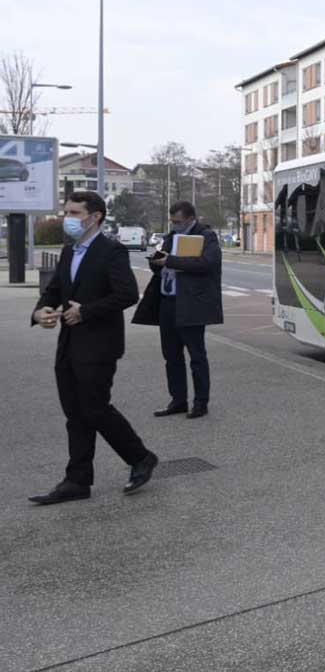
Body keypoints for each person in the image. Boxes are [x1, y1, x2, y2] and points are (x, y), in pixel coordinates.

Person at [28, 191, 159, 504]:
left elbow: (127, 294)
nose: (67, 219)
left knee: (95, 408)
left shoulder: (111, 251)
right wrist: (39, 311)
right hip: (69, 344)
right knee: (75, 413)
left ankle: (140, 457)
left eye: (74, 213)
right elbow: (55, 289)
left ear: (95, 216)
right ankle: (77, 481)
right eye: (66, 212)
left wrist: (85, 311)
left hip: (99, 346)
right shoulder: (69, 250)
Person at [133, 201, 224, 419]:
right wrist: (156, 262)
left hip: (191, 304)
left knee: (196, 356)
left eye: (179, 222)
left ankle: (201, 403)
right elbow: (160, 263)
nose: (175, 226)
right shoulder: (171, 236)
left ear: (191, 219)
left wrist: (171, 261)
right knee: (171, 356)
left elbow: (208, 263)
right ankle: (178, 400)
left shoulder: (206, 236)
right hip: (167, 301)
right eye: (173, 222)